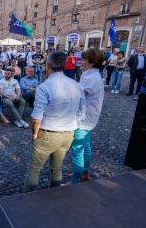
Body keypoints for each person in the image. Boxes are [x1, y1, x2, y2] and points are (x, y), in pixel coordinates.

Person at [24, 51, 84, 192]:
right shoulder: (76, 85)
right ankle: (56, 196)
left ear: (47, 65)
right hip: (68, 133)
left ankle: (28, 200)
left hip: (48, 132)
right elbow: (82, 113)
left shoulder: (44, 87)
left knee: (34, 169)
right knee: (57, 168)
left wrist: (35, 134)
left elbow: (37, 117)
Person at [69, 49, 104, 183]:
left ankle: (75, 181)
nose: (80, 61)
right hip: (89, 117)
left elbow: (79, 94)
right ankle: (84, 173)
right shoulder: (90, 74)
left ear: (92, 62)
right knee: (86, 146)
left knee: (77, 150)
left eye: (83, 59)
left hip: (83, 118)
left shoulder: (91, 77)